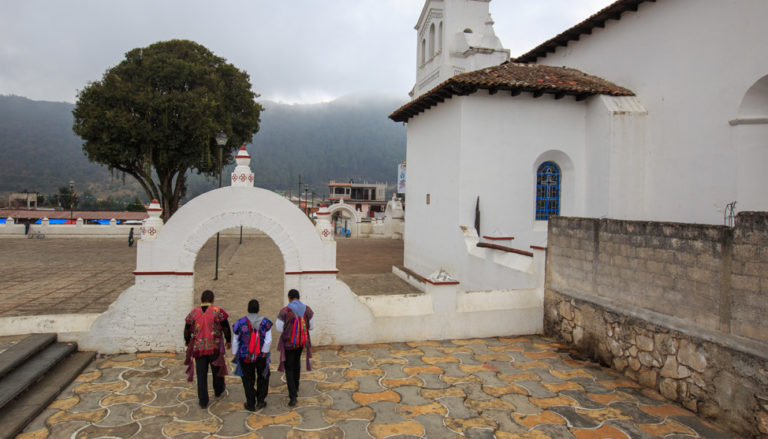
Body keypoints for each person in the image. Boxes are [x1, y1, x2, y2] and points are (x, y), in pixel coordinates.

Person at [184, 290, 231, 409]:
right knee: (217, 371)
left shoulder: (193, 313)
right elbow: (225, 326)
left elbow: (187, 328)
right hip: (214, 347)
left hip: (199, 348)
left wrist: (187, 340)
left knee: (201, 374)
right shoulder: (217, 311)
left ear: (201, 299)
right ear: (212, 299)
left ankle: (203, 400)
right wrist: (228, 339)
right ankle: (218, 390)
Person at [232, 299, 273, 411]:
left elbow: (235, 340)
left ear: (248, 309)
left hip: (245, 356)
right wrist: (264, 352)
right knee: (263, 377)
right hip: (261, 356)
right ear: (258, 309)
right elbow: (268, 340)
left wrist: (235, 354)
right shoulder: (265, 322)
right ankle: (260, 400)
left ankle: (250, 403)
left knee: (247, 379)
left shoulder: (240, 323)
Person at [277, 289, 314, 407]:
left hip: (289, 344)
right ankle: (296, 387)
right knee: (297, 364)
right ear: (298, 297)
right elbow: (312, 326)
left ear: (289, 298)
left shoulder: (285, 311)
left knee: (289, 367)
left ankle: (293, 396)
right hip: (301, 342)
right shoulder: (307, 309)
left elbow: (279, 328)